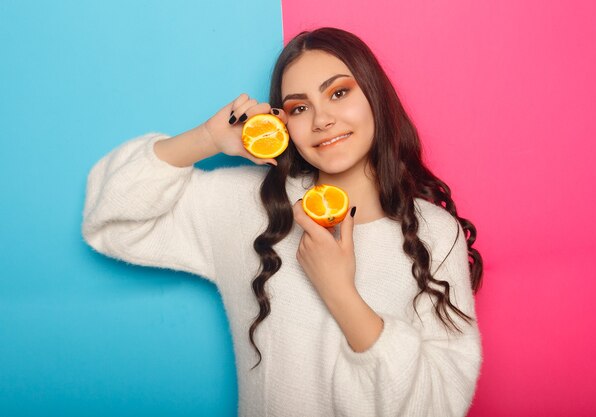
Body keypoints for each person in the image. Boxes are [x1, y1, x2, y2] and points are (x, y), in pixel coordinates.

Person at [82, 27, 484, 417]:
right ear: (284, 122)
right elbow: (111, 218)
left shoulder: (433, 232)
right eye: (299, 108)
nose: (321, 120)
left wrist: (340, 293)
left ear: (375, 96)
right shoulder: (250, 206)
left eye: (339, 93)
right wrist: (207, 139)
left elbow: (440, 403)